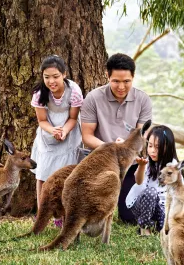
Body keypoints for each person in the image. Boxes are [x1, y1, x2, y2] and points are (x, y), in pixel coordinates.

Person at [80, 53, 152, 224]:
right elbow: (87, 136)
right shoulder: (93, 98)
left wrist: (126, 149)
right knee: (94, 216)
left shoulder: (142, 100)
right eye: (116, 81)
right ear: (107, 76)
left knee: (130, 218)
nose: (121, 86)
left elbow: (142, 137)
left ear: (133, 77)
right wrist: (112, 147)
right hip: (101, 165)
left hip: (130, 165)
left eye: (126, 81)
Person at [30, 55, 83, 227]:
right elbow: (42, 121)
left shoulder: (74, 91)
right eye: (47, 77)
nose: (51, 81)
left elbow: (73, 118)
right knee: (43, 176)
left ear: (64, 74)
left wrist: (64, 131)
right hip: (48, 134)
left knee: (66, 176)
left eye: (55, 76)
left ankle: (63, 215)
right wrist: (53, 130)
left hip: (69, 134)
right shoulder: (39, 94)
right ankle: (42, 214)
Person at [125, 125, 180, 235]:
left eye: (157, 147)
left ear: (168, 147)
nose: (152, 151)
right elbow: (138, 181)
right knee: (150, 192)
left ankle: (156, 225)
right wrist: (141, 166)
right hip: (141, 203)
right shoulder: (147, 162)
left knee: (166, 228)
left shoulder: (174, 166)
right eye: (150, 146)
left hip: (163, 207)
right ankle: (144, 228)